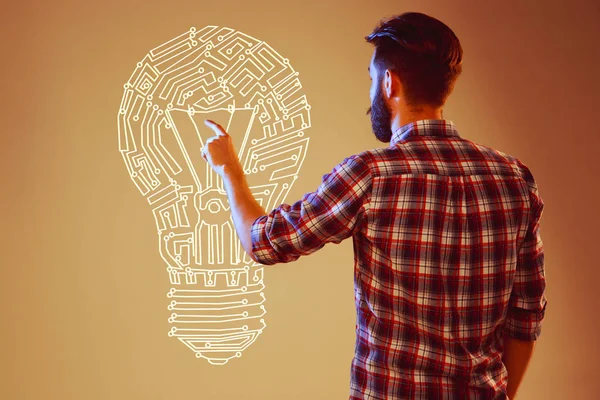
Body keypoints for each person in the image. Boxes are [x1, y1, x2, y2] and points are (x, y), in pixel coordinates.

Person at [201, 11, 547, 400]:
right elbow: (525, 319)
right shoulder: (514, 178)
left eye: (371, 79)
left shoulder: (371, 175)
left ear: (389, 83)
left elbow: (264, 242)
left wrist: (230, 169)